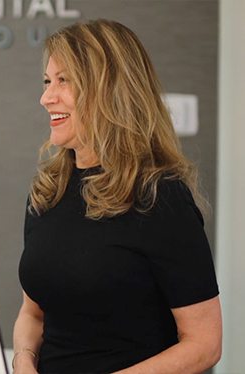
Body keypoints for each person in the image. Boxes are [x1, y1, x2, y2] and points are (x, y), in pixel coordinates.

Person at [13, 20, 222, 374]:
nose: (46, 97)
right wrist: (22, 361)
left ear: (108, 89)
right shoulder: (48, 192)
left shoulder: (160, 197)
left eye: (64, 80)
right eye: (48, 81)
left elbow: (205, 344)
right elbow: (32, 313)